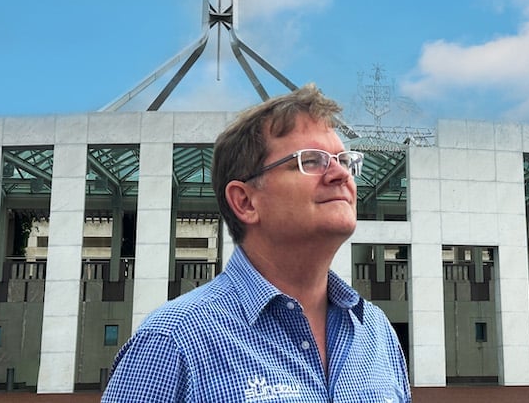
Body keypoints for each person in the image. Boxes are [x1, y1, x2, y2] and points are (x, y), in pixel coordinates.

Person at [101, 84, 411, 402]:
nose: (341, 175)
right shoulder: (173, 340)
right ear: (246, 201)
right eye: (312, 160)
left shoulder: (375, 331)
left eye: (345, 161)